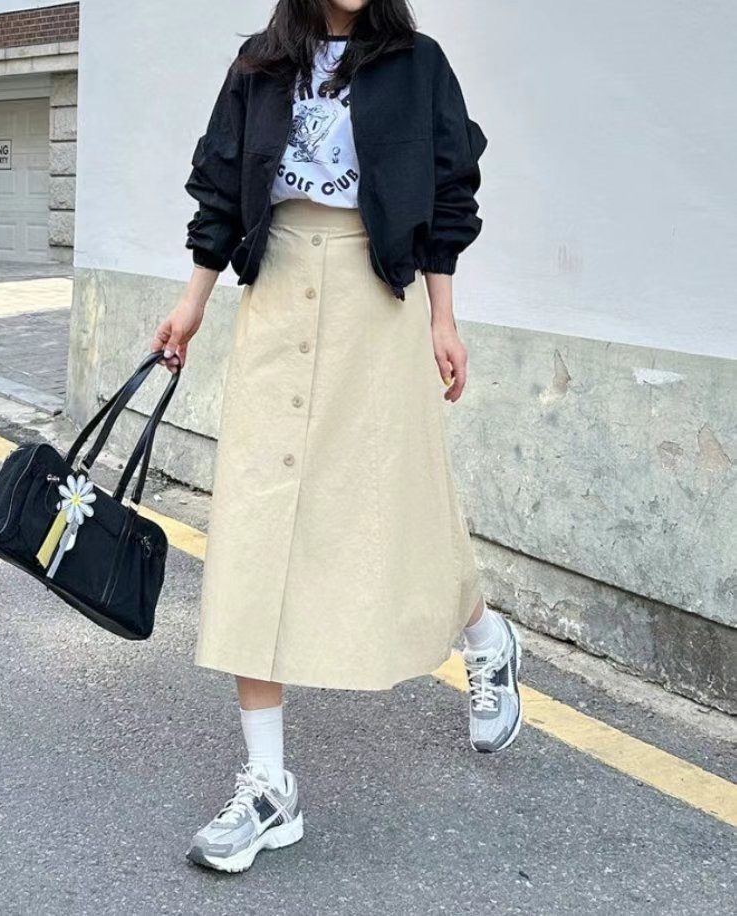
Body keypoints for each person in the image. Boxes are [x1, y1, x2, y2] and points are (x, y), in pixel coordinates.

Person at [151, 0, 522, 874]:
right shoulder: (260, 62)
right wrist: (191, 304)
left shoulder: (416, 62)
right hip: (278, 290)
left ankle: (482, 634)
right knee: (255, 521)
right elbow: (220, 182)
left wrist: (442, 318)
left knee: (394, 504)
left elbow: (448, 189)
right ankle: (268, 788)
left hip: (376, 297)